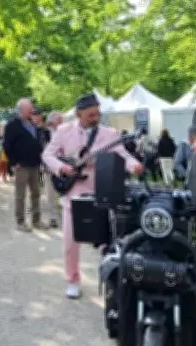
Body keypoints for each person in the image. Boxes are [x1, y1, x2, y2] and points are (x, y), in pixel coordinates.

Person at [43, 93, 144, 299]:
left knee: (106, 241)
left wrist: (134, 165)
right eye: (90, 115)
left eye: (97, 114)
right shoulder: (64, 131)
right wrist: (62, 168)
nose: (95, 118)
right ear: (79, 113)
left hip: (101, 193)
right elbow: (47, 155)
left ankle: (108, 279)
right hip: (73, 194)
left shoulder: (109, 134)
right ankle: (72, 280)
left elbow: (122, 155)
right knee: (70, 243)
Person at [3, 98, 46, 231]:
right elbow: (7, 145)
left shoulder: (33, 124)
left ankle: (36, 220)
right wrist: (14, 162)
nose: (32, 111)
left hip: (35, 164)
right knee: (21, 195)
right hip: (21, 166)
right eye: (30, 109)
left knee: (36, 193)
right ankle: (21, 222)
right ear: (22, 110)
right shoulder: (12, 125)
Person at [43, 111, 64, 228]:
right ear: (51, 121)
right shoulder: (45, 133)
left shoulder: (65, 132)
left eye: (61, 120)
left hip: (63, 167)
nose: (61, 122)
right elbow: (44, 151)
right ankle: (53, 218)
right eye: (58, 120)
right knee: (50, 193)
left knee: (64, 193)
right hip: (49, 168)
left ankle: (65, 217)